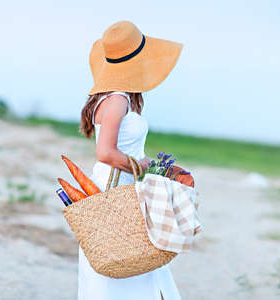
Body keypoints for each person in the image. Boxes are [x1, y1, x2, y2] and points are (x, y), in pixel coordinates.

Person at [78, 20, 183, 300]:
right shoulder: (117, 100)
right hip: (115, 187)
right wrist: (146, 166)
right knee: (125, 260)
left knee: (134, 260)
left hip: (123, 183)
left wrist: (160, 168)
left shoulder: (115, 98)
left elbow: (126, 149)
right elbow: (105, 152)